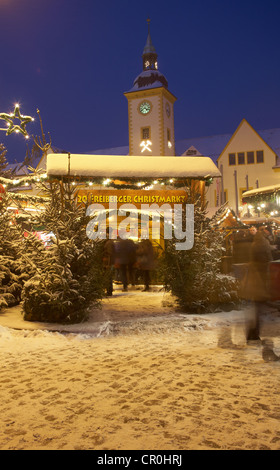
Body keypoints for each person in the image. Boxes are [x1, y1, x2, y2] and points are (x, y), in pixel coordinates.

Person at [246, 226, 273, 341]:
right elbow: (268, 258)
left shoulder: (254, 244)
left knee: (257, 308)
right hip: (260, 278)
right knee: (258, 308)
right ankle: (253, 333)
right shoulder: (263, 243)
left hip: (255, 278)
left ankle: (252, 333)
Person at [103, 228, 115, 296]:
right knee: (108, 276)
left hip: (108, 262)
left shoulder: (109, 242)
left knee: (108, 276)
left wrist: (108, 264)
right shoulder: (110, 241)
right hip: (109, 262)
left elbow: (109, 253)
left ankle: (109, 291)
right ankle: (109, 290)